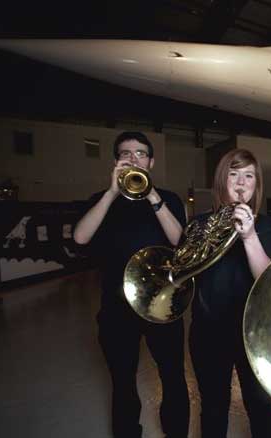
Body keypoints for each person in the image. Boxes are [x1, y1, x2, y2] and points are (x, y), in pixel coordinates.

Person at [73, 131, 190, 438]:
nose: (133, 158)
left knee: (173, 377)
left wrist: (153, 197)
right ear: (116, 161)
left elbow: (181, 242)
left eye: (140, 153)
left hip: (162, 305)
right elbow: (80, 238)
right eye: (126, 153)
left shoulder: (169, 199)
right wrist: (111, 193)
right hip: (116, 307)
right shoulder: (101, 200)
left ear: (150, 161)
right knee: (122, 382)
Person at [189, 148, 271, 438]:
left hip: (254, 332)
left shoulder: (265, 226)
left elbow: (267, 278)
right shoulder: (200, 224)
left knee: (261, 405)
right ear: (222, 180)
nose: (241, 183)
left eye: (249, 176)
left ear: (256, 184)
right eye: (234, 174)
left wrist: (249, 236)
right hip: (208, 330)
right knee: (214, 407)